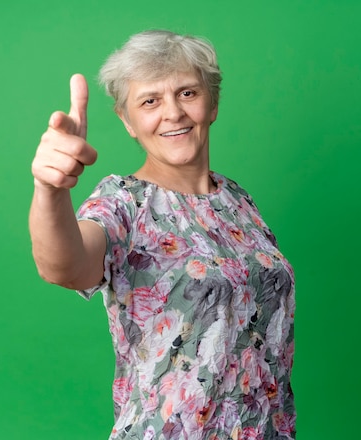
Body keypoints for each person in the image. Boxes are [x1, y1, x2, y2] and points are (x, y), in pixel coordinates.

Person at [29, 30, 296, 439]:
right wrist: (49, 191)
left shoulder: (238, 200)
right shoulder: (124, 203)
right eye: (149, 101)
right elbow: (65, 266)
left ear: (213, 104)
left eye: (187, 93)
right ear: (127, 120)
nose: (172, 112)